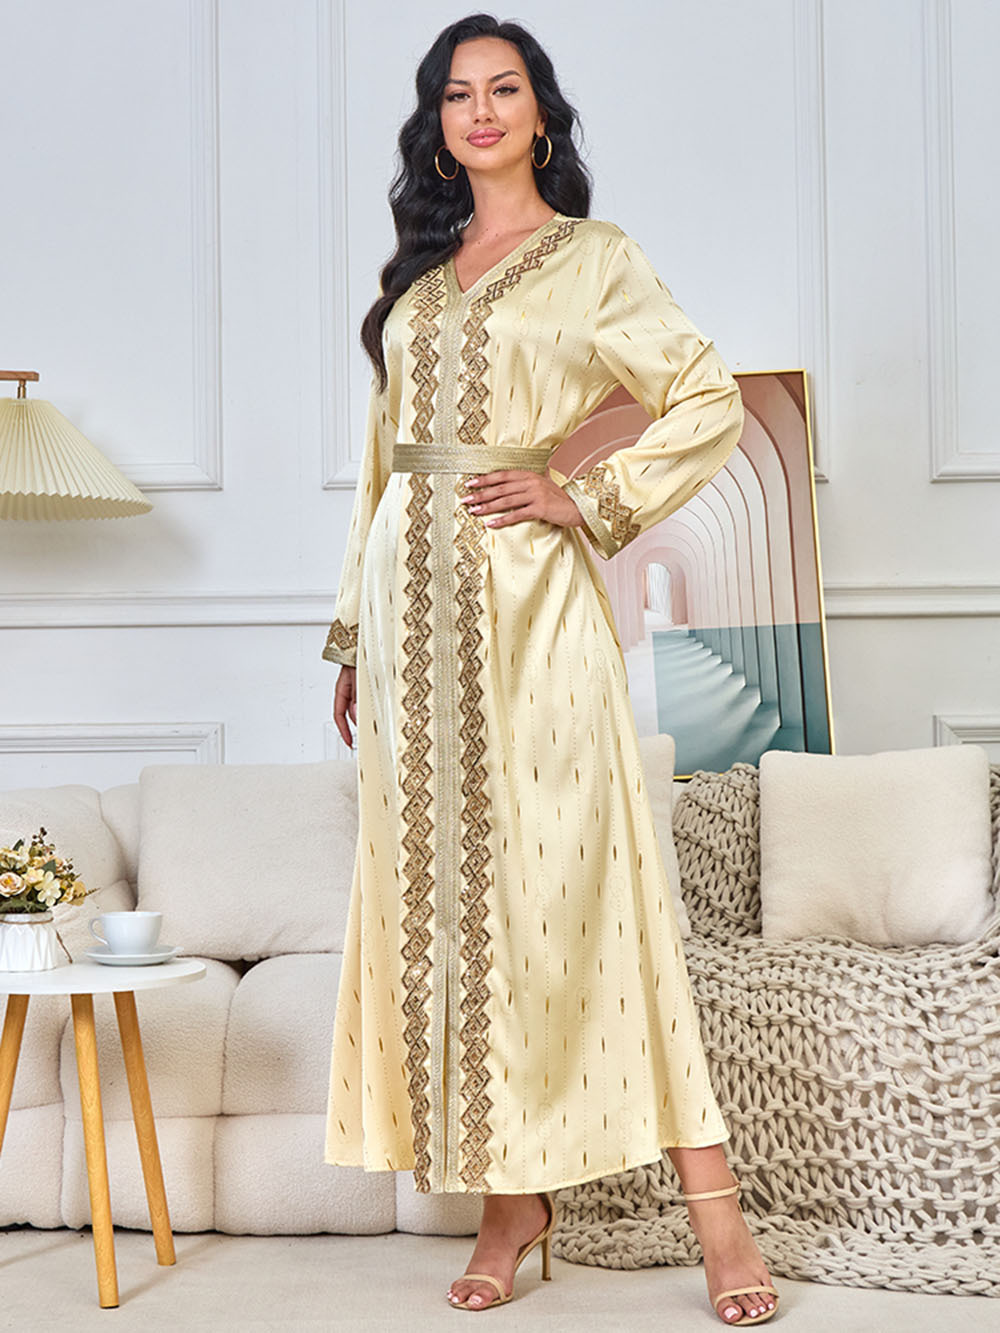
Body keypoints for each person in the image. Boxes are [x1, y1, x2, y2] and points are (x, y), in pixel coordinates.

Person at [321, 12, 779, 1326]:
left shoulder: (594, 259)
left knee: (589, 892)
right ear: (438, 125)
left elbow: (708, 398)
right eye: (456, 94)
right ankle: (511, 1204)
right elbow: (377, 477)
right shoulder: (418, 287)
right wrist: (351, 637)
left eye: (503, 88)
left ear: (539, 114)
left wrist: (590, 493)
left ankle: (718, 1212)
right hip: (411, 632)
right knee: (460, 912)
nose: (479, 110)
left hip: (533, 614)